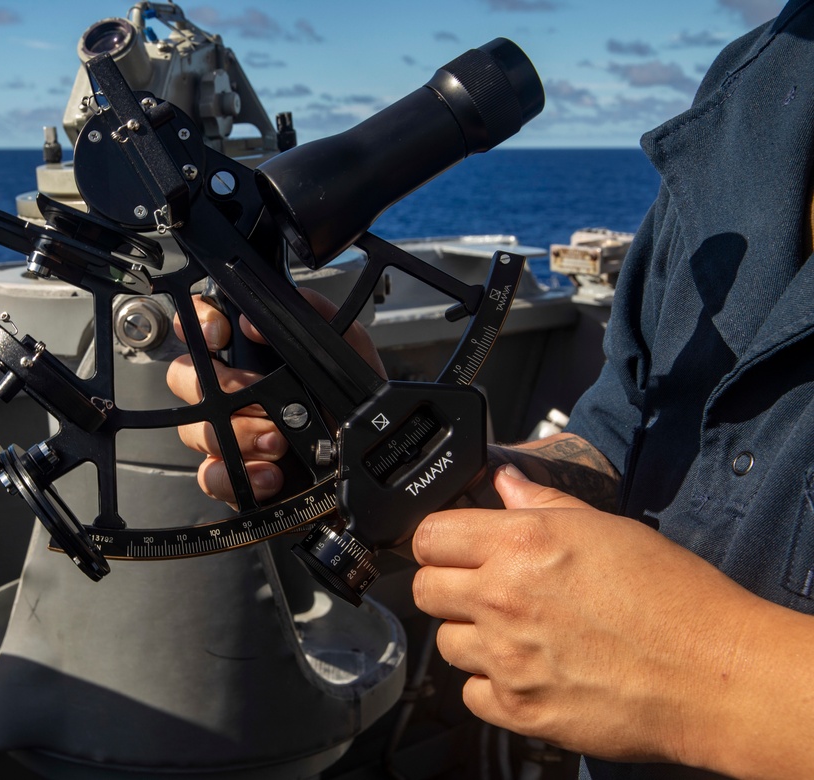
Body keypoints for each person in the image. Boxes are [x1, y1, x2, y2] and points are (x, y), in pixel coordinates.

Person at [167, 0, 814, 776]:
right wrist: (404, 457)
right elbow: (624, 446)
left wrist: (715, 677)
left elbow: (700, 665)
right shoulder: (755, 96)